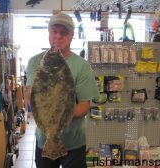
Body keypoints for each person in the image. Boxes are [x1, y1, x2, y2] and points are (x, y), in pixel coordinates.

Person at [25, 13, 99, 168]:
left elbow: (85, 106)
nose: (58, 36)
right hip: (44, 140)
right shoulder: (34, 62)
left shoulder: (82, 66)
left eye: (64, 32)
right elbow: (30, 97)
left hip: (74, 142)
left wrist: (60, 110)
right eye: (54, 31)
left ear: (72, 35)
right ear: (49, 32)